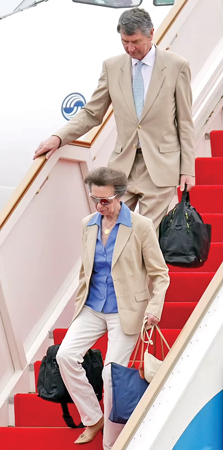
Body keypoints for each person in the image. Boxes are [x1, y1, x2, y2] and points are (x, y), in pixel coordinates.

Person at [34, 7, 195, 231]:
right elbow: (92, 113)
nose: (130, 48)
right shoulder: (111, 66)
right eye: (124, 41)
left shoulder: (177, 66)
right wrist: (59, 137)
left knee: (145, 235)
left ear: (151, 33)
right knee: (110, 232)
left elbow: (185, 123)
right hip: (122, 167)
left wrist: (187, 169)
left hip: (160, 167)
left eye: (136, 41)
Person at [56, 167, 170, 450]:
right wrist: (79, 304)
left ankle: (112, 444)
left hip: (126, 310)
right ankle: (93, 418)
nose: (99, 206)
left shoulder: (140, 225)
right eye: (95, 199)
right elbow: (86, 270)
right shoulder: (88, 223)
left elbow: (160, 273)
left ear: (120, 196)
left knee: (111, 374)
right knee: (66, 356)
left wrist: (154, 307)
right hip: (92, 306)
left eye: (105, 200)